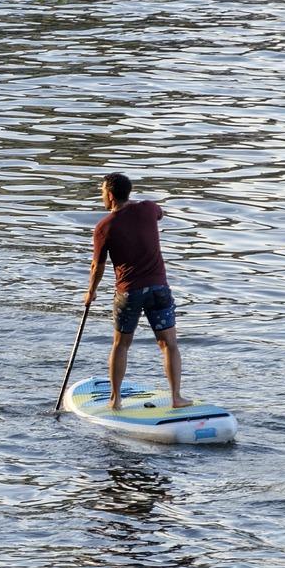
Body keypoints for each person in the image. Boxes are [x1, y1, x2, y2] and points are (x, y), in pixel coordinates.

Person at [82, 172, 190, 411]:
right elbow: (160, 214)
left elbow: (96, 266)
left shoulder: (104, 227)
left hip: (129, 292)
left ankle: (115, 399)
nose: (101, 196)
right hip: (159, 289)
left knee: (121, 345)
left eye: (102, 192)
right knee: (169, 344)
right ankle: (176, 397)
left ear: (110, 195)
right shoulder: (149, 209)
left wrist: (91, 292)